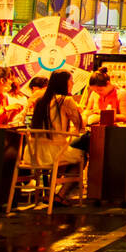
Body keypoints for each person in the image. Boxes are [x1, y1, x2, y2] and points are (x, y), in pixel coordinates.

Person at [29, 70, 87, 203]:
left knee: (64, 156)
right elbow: (80, 125)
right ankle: (60, 195)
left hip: (34, 152)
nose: (73, 83)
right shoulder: (66, 100)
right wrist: (81, 112)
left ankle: (50, 192)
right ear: (64, 83)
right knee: (81, 157)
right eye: (71, 80)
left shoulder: (40, 101)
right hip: (54, 151)